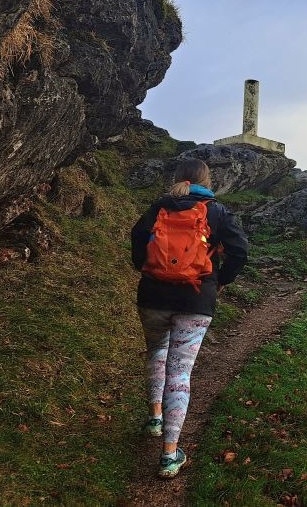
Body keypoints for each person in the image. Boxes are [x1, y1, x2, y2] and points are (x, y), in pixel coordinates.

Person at [130, 158, 249, 478]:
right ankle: (170, 454)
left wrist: (145, 269)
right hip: (196, 301)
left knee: (157, 352)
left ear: (178, 179)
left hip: (153, 296)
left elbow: (137, 238)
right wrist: (221, 280)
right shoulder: (217, 211)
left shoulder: (159, 207)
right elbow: (240, 250)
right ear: (207, 181)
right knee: (179, 372)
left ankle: (155, 418)